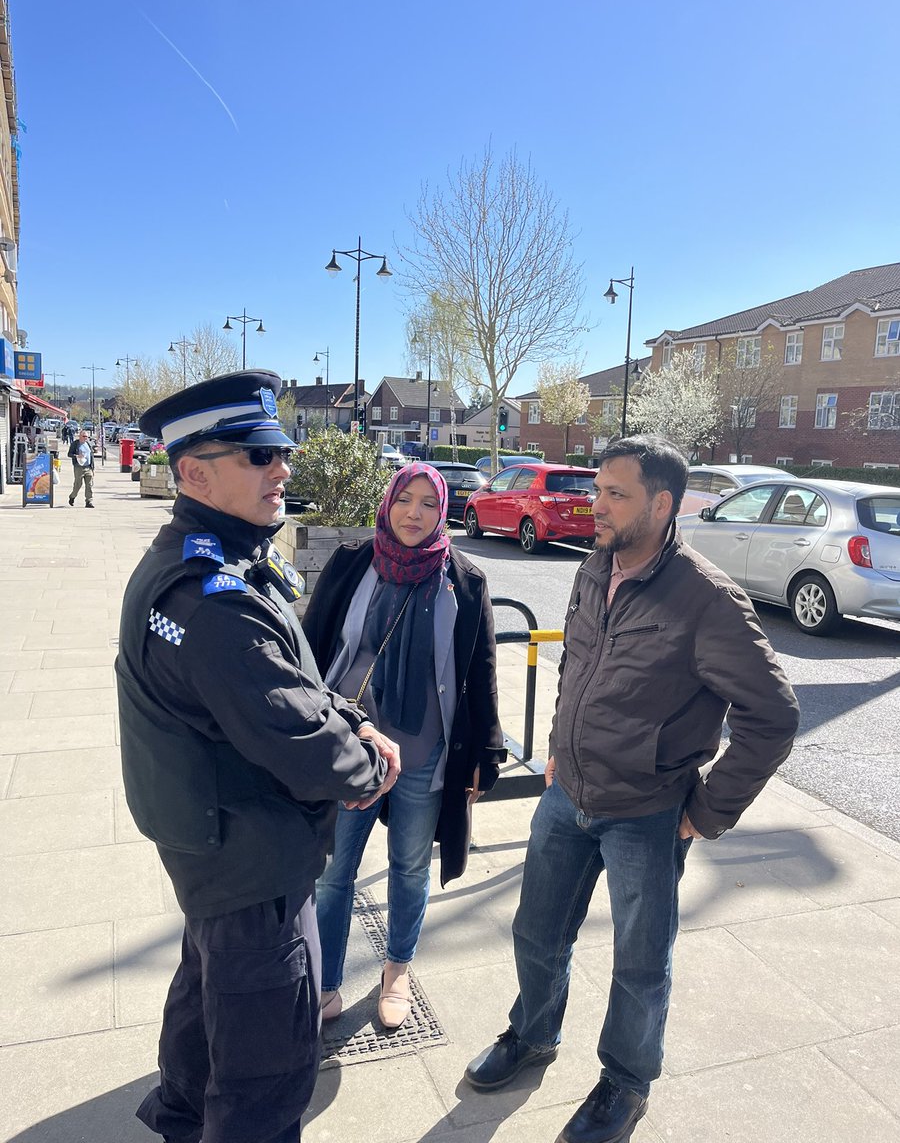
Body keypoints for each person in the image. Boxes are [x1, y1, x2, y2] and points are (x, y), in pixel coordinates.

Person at [464, 435, 799, 1143]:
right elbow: (576, 664)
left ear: (662, 503)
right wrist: (558, 747)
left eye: (615, 494)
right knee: (536, 932)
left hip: (647, 811)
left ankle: (625, 1083)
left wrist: (707, 812)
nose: (597, 506)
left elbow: (772, 715)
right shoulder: (594, 566)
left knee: (640, 963)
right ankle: (533, 1034)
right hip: (567, 795)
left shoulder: (708, 599)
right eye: (598, 490)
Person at [115, 371, 399, 1143]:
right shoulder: (211, 597)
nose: (281, 466)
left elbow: (291, 683)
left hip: (219, 852)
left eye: (281, 451)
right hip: (254, 860)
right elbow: (297, 736)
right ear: (193, 472)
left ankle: (181, 1120)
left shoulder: (213, 563)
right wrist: (369, 766)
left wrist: (352, 720)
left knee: (208, 1010)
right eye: (256, 455)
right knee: (265, 1079)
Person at [303, 462, 506, 1029]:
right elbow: (313, 648)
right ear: (388, 502)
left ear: (443, 512)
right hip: (350, 750)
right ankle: (325, 980)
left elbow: (482, 672)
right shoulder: (352, 563)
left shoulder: (464, 581)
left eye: (428, 503)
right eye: (404, 500)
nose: (414, 513)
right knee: (332, 871)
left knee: (410, 867)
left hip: (423, 754)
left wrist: (485, 754)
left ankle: (397, 969)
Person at [68, 429, 94, 508]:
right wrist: (76, 456)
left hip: (88, 467)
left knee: (89, 485)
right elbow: (69, 454)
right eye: (84, 436)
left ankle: (89, 501)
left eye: (87, 436)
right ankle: (72, 496)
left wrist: (92, 468)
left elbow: (91, 456)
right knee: (78, 484)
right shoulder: (75, 444)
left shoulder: (88, 444)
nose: (86, 438)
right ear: (80, 436)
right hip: (79, 467)